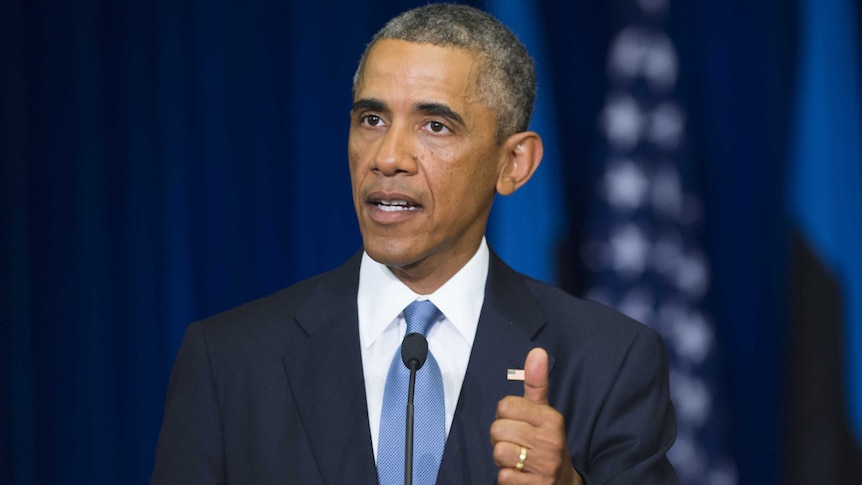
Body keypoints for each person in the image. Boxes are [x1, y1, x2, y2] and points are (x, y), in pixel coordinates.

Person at [151, 4, 677, 484]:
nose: (388, 156)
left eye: (434, 125)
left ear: (513, 164)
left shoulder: (609, 360)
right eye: (372, 119)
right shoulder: (229, 362)